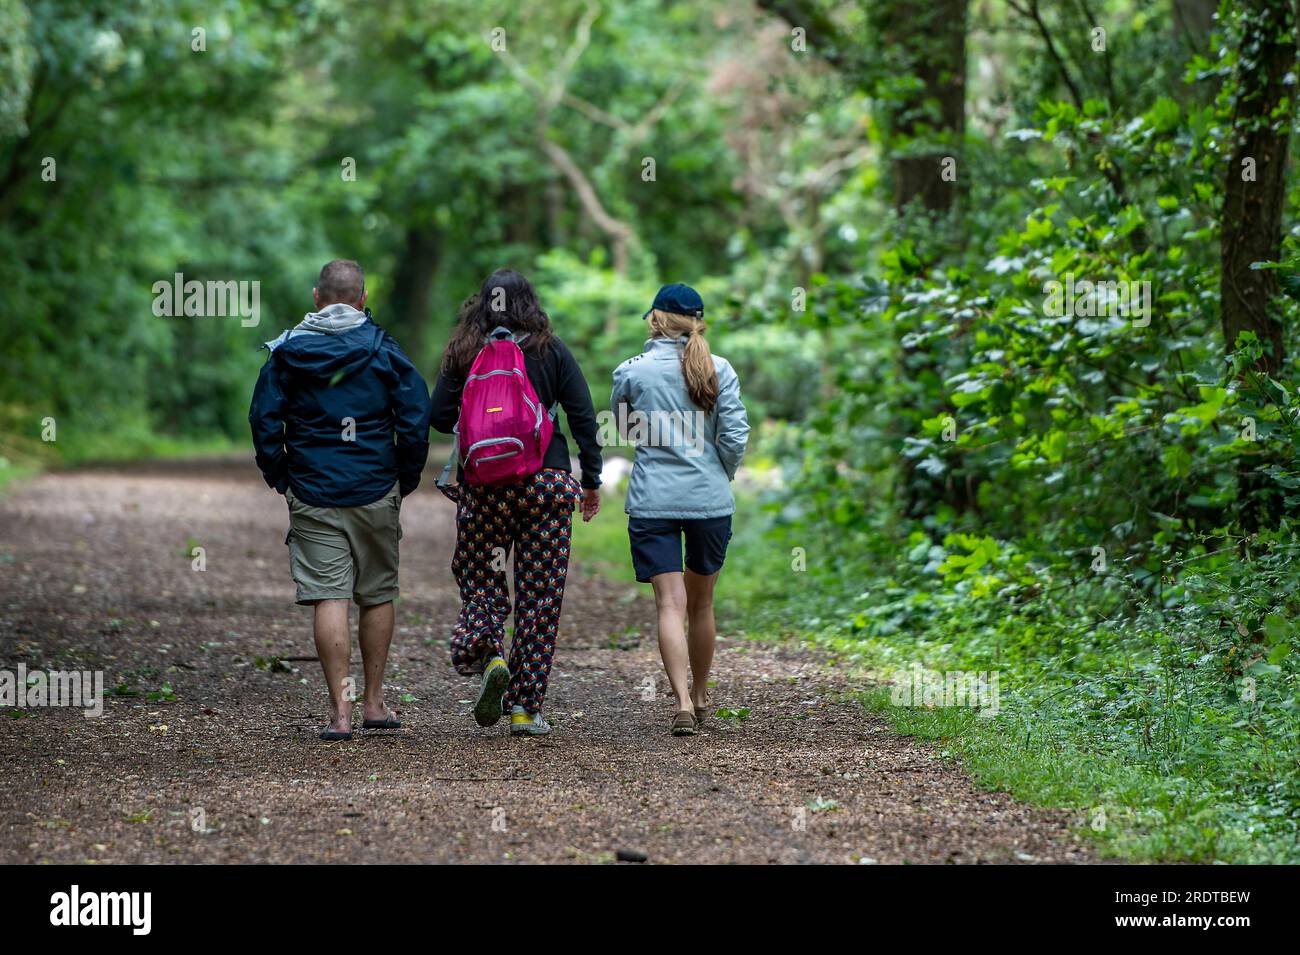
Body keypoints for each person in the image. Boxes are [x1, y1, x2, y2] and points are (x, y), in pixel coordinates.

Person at [248, 259, 430, 741]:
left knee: (329, 595)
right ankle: (373, 704)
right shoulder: (384, 350)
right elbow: (415, 417)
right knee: (376, 593)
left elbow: (264, 421)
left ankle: (340, 714)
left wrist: (282, 477)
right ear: (362, 299)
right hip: (374, 488)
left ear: (316, 297)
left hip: (313, 490)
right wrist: (402, 478)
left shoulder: (288, 353)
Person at [429, 269, 602, 737]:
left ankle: (490, 654)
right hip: (546, 484)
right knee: (541, 595)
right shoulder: (551, 349)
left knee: (480, 574)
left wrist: (482, 417)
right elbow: (584, 417)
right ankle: (526, 708)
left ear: (482, 305)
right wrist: (592, 479)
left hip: (484, 486)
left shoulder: (464, 351)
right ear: (530, 304)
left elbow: (439, 416)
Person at [610, 284, 749, 736]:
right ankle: (704, 694)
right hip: (708, 500)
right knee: (702, 603)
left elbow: (623, 428)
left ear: (656, 319)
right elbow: (735, 436)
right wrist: (716, 472)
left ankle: (683, 702)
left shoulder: (631, 371)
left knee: (670, 604)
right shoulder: (719, 368)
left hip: (654, 500)